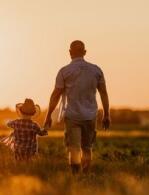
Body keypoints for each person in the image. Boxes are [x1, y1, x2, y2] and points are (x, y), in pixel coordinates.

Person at [44, 40, 110, 174]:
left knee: (74, 149)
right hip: (91, 115)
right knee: (87, 148)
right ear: (84, 52)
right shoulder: (96, 70)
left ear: (70, 53)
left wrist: (48, 115)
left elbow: (55, 95)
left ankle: (76, 177)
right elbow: (103, 93)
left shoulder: (64, 71)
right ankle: (85, 175)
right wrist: (107, 114)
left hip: (72, 115)